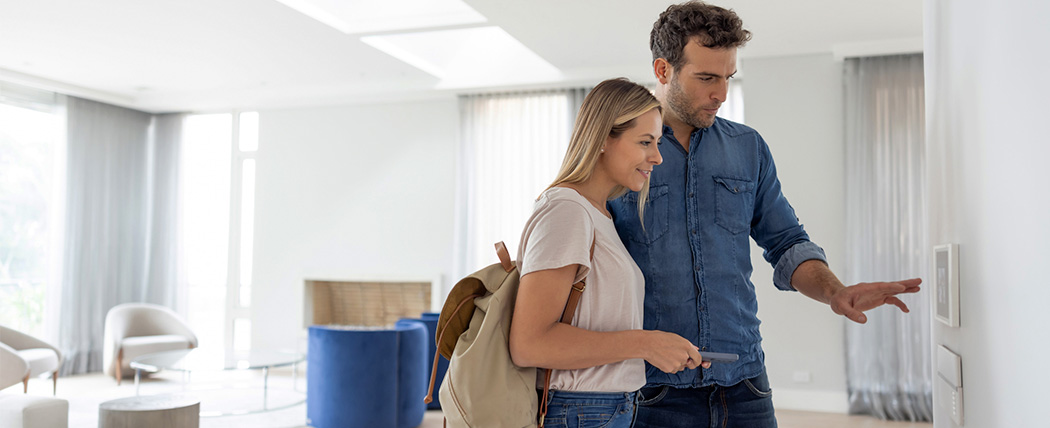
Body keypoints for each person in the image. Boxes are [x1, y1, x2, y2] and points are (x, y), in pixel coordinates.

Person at [606, 2, 923, 427]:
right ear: (663, 70)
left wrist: (835, 291)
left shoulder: (747, 148)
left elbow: (786, 241)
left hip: (745, 385)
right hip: (652, 389)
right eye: (706, 78)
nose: (720, 92)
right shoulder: (619, 149)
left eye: (727, 77)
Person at [509, 78, 708, 428]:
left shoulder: (598, 214)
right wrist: (645, 344)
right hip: (579, 410)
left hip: (602, 408)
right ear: (603, 139)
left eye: (658, 143)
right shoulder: (567, 211)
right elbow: (529, 344)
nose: (658, 157)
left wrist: (656, 347)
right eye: (645, 142)